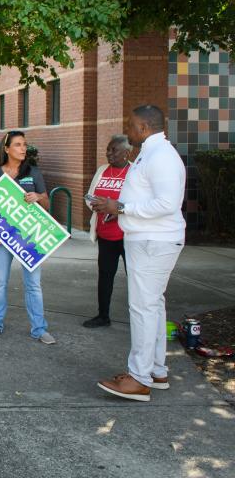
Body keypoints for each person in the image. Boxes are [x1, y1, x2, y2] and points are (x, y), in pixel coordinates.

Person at [92, 105, 186, 402]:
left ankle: (139, 378)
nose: (127, 129)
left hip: (153, 243)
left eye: (131, 125)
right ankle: (155, 370)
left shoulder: (162, 157)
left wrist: (121, 208)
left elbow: (167, 204)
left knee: (143, 308)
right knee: (153, 307)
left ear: (144, 127)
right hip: (146, 241)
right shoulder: (150, 152)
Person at [0, 131, 56, 345]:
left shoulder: (33, 172)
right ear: (6, 149)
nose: (23, 148)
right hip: (2, 238)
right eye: (17, 145)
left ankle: (39, 329)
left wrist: (38, 197)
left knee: (33, 285)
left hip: (30, 238)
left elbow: (47, 204)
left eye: (24, 144)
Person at [82, 135, 133, 328]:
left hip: (128, 236)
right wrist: (95, 205)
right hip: (105, 235)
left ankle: (140, 319)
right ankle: (103, 315)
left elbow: (140, 203)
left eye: (114, 150)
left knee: (135, 278)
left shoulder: (135, 172)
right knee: (105, 276)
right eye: (108, 150)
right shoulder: (102, 170)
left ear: (127, 153)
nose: (108, 153)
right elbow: (89, 194)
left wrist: (119, 212)